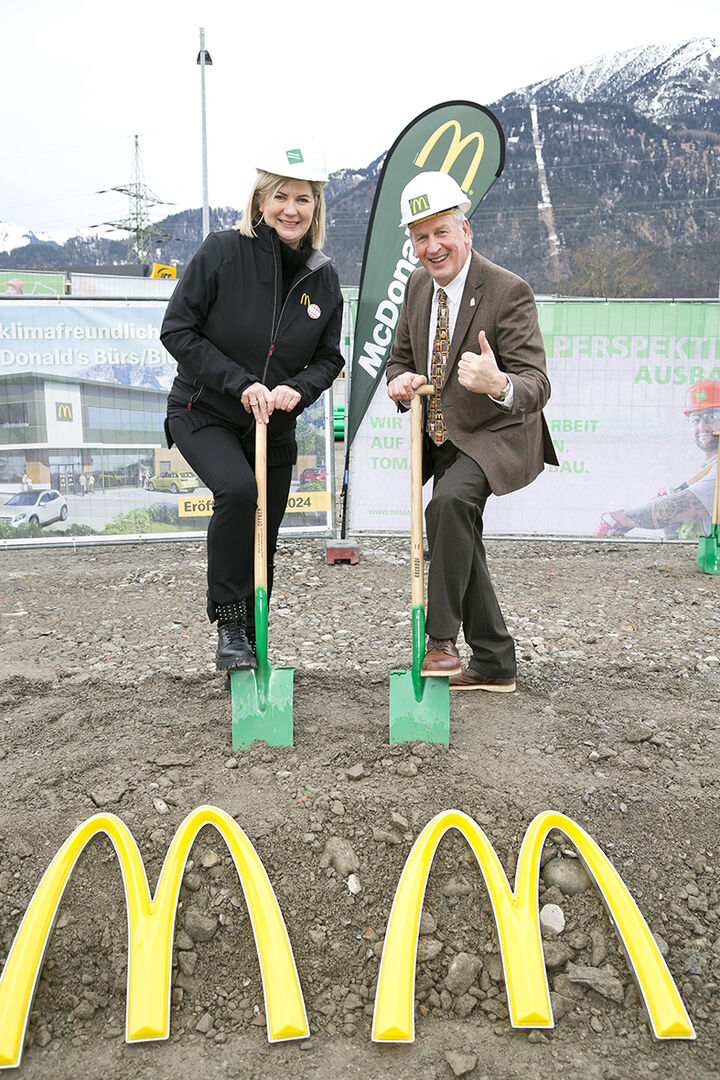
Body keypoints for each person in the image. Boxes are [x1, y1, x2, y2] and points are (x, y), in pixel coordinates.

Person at [161, 144, 344, 671]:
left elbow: (330, 357)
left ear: (316, 208)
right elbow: (177, 330)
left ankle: (252, 643)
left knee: (266, 531)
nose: (291, 209)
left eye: (303, 199)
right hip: (204, 410)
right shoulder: (222, 251)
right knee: (239, 492)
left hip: (274, 426)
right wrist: (239, 381)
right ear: (260, 200)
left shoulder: (322, 276)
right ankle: (231, 625)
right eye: (280, 196)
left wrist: (300, 388)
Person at [386, 172, 557, 693]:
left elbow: (537, 384)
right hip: (441, 437)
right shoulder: (417, 285)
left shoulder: (507, 290)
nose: (432, 247)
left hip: (497, 432)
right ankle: (495, 661)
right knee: (459, 537)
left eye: (441, 232)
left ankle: (440, 640)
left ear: (466, 230)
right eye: (420, 238)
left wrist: (498, 381)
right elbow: (399, 360)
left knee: (447, 508)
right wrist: (401, 382)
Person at [597, 378, 720, 539]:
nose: (703, 427)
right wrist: (672, 510)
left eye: (711, 417)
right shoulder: (708, 468)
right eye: (695, 419)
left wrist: (618, 519)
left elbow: (676, 508)